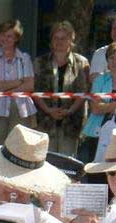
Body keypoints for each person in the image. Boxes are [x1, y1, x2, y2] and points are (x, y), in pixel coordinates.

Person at [33, 21, 88, 158]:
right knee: (46, 164)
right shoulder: (39, 62)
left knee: (67, 165)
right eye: (56, 38)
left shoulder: (81, 62)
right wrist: (48, 110)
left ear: (71, 40)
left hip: (71, 123)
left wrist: (70, 111)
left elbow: (84, 92)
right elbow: (35, 90)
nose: (59, 41)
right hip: (45, 122)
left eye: (63, 38)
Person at [78, 42, 116, 164]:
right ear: (107, 60)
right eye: (111, 58)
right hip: (97, 132)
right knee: (96, 173)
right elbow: (95, 109)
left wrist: (105, 106)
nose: (114, 61)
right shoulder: (99, 80)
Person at [0, 20, 36, 146]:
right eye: (2, 35)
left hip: (21, 109)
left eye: (9, 36)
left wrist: (6, 90)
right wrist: (18, 82)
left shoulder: (24, 58)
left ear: (16, 38)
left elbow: (30, 85)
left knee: (19, 148)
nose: (5, 39)